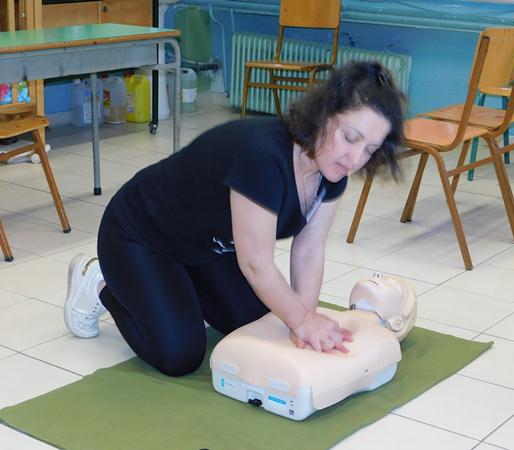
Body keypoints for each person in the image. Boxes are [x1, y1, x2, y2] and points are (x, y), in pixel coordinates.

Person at [63, 61, 406, 377]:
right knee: (180, 354)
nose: (355, 159)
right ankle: (99, 282)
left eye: (370, 149)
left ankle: (176, 290)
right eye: (350, 138)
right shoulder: (264, 158)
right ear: (324, 114)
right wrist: (301, 320)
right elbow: (256, 264)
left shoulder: (332, 172)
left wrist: (305, 319)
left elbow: (309, 251)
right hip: (139, 235)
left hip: (207, 248)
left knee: (262, 323)